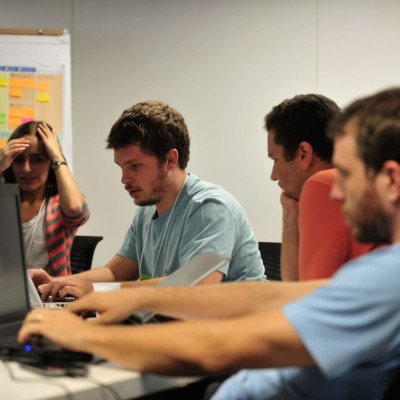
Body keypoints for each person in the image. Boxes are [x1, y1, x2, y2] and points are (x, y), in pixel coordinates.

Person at [18, 87, 400, 399]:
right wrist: (129, 295)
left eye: (346, 175)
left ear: (391, 180)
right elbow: (276, 296)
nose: (334, 194)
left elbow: (214, 342)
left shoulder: (388, 278)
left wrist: (87, 335)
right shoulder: (380, 270)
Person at [32, 100, 265, 299]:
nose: (124, 179)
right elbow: (116, 272)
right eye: (121, 167)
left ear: (170, 160)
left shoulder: (209, 207)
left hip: (238, 340)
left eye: (135, 166)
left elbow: (197, 289)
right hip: (184, 332)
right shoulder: (147, 208)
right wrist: (59, 283)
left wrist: (97, 290)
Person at [266, 93, 378, 280]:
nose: (273, 175)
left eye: (275, 160)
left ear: (304, 154)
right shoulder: (367, 182)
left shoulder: (323, 186)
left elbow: (304, 299)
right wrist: (290, 214)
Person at [0, 121, 89, 276]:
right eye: (19, 160)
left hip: (46, 296)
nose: (26, 169)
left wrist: (57, 155)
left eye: (37, 159)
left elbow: (75, 208)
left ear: (50, 162)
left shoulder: (59, 204)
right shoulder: (4, 201)